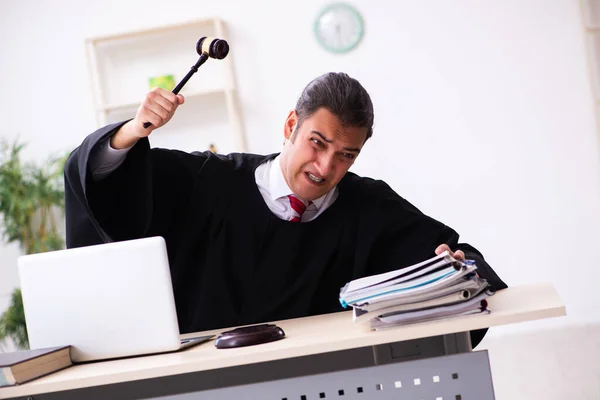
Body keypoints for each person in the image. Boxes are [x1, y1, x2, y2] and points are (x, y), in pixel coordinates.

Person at [64, 72, 506, 347]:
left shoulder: (368, 206)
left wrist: (453, 269)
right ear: (291, 125)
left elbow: (462, 263)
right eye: (318, 143)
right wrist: (132, 131)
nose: (326, 166)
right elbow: (106, 184)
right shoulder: (205, 180)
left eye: (346, 155)